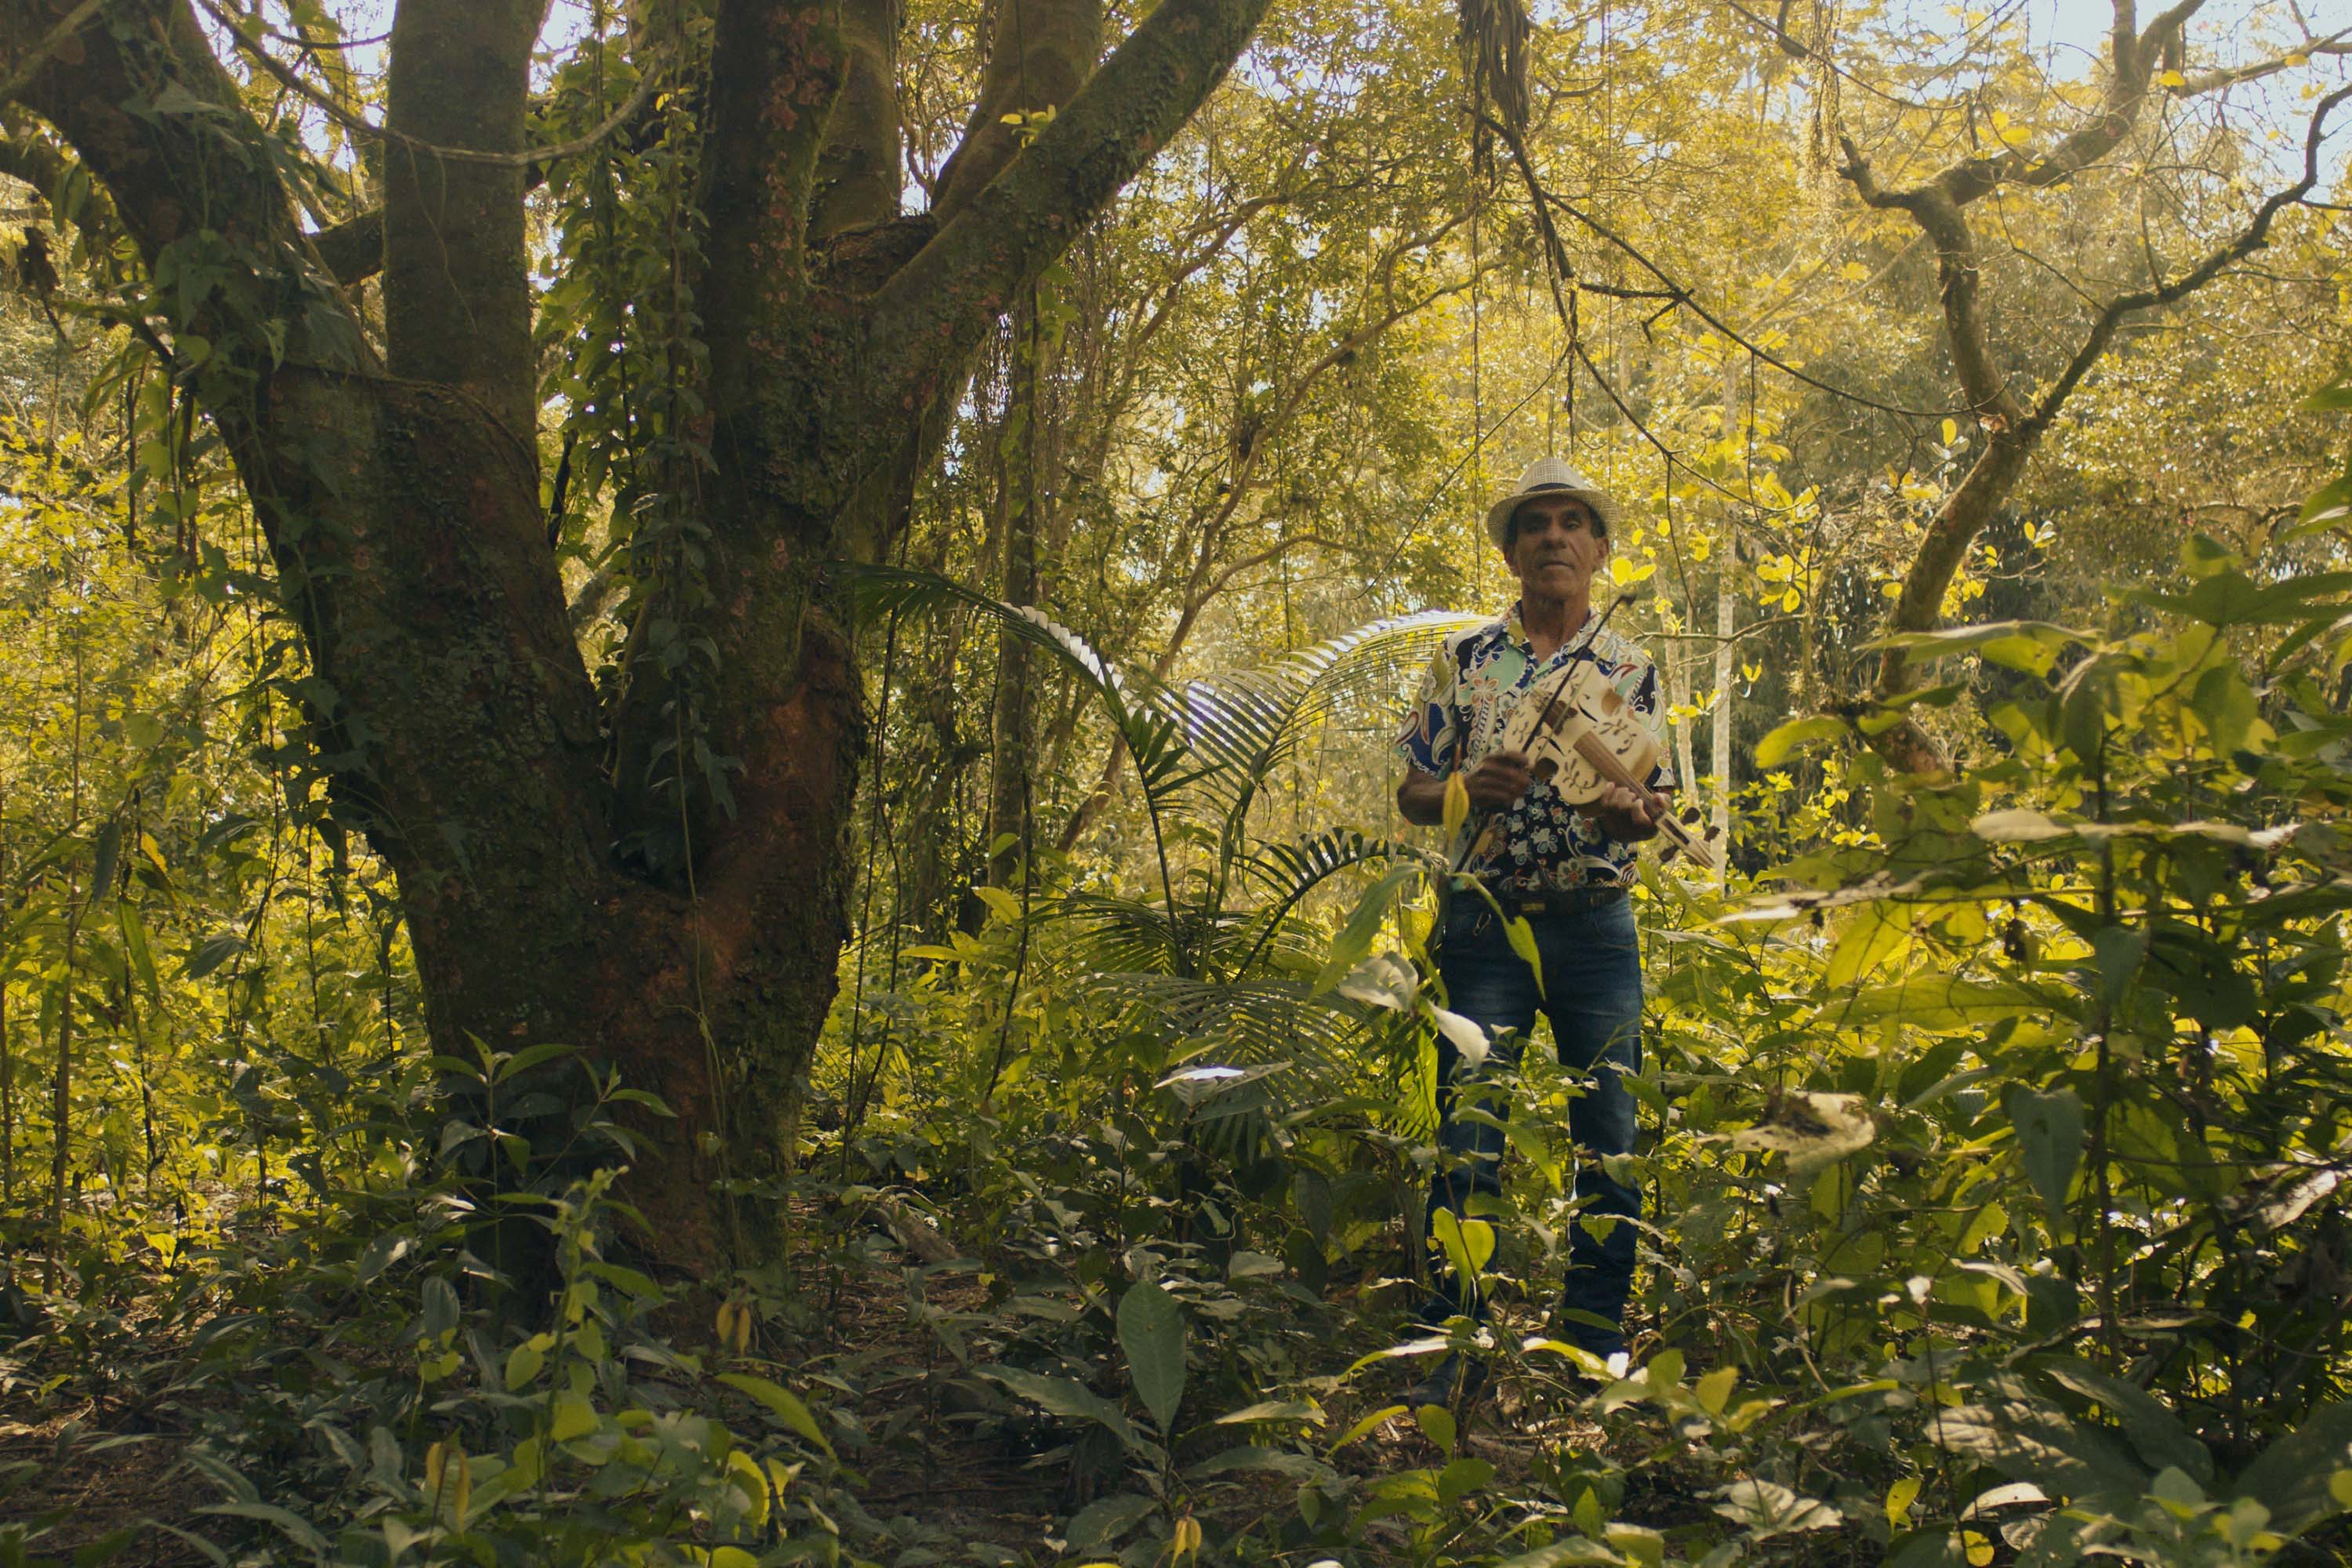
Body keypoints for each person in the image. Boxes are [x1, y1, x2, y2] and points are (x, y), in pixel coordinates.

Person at [1392, 455, 1673, 1407]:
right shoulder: (1469, 661)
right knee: (1468, 1134)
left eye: (1571, 522)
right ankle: (1448, 1342)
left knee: (1612, 1136)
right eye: (1535, 524)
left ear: (1598, 549)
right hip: (1483, 923)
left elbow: (1650, 798)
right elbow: (1413, 786)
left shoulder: (1630, 667)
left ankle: (1593, 1343)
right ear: (1513, 553)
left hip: (1597, 924)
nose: (1554, 536)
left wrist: (1632, 813)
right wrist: (1470, 786)